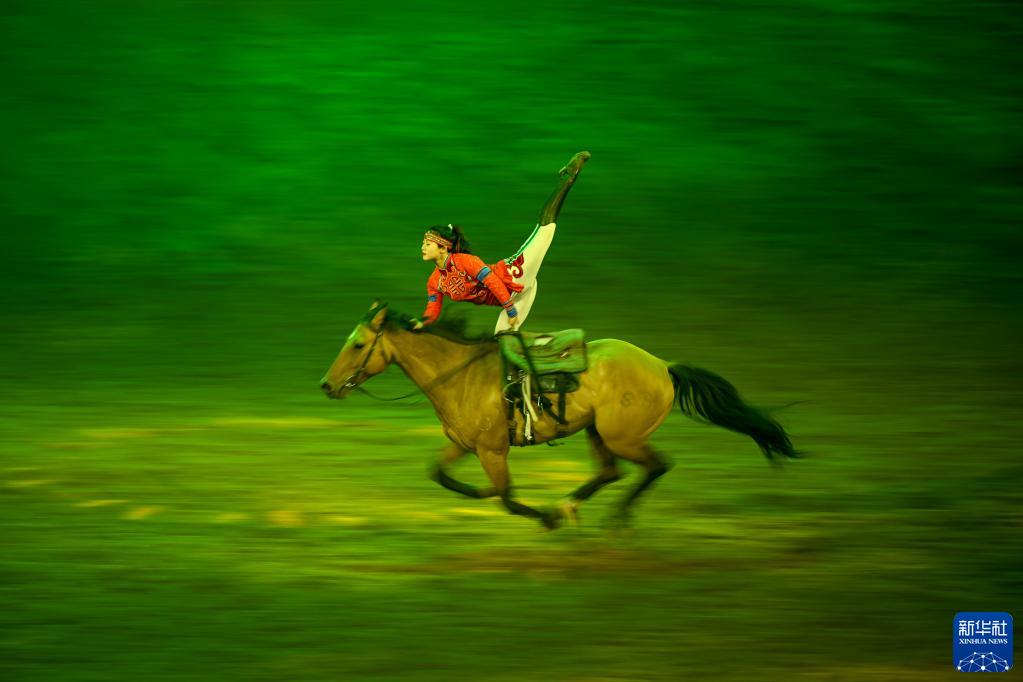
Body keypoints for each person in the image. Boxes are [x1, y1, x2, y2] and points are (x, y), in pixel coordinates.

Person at [412, 151, 590, 334]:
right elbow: (432, 310)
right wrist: (420, 323)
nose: (422, 247)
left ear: (443, 247)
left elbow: (492, 281)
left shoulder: (465, 261)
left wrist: (510, 310)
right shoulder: (434, 282)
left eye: (427, 244)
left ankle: (568, 177)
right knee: (502, 340)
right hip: (515, 298)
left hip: (515, 275)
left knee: (544, 231)